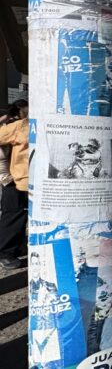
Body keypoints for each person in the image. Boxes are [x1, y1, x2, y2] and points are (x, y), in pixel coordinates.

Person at [0, 100, 29, 269]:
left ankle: (15, 248)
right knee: (14, 215)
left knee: (20, 215)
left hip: (23, 178)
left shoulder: (22, 125)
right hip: (15, 179)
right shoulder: (20, 126)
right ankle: (5, 252)